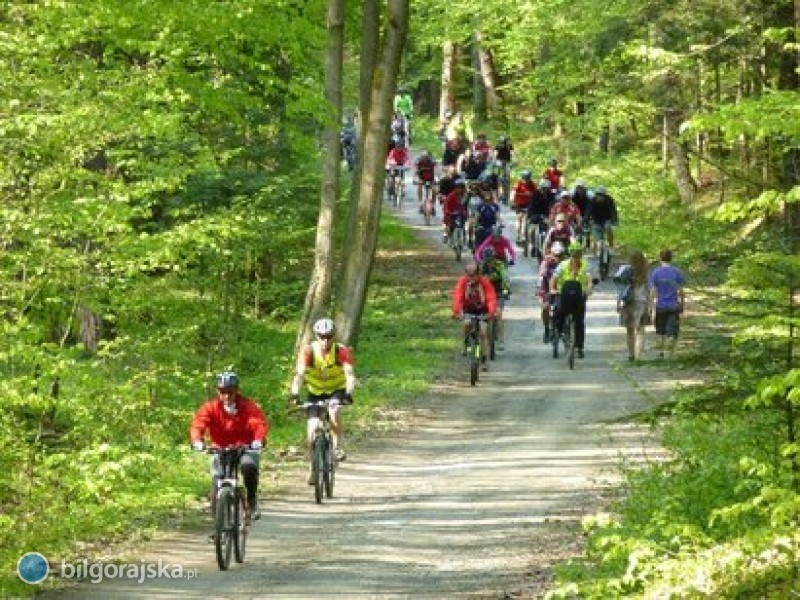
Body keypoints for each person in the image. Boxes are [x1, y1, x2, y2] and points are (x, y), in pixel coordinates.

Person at [190, 370, 269, 520]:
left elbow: (258, 423)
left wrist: (258, 440)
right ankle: (217, 523)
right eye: (222, 392)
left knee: (248, 467)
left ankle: (251, 501)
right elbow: (198, 425)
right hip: (220, 448)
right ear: (217, 392)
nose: (226, 396)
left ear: (236, 391)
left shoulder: (247, 406)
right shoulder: (210, 408)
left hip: (245, 447)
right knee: (216, 482)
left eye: (230, 392)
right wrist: (197, 441)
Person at [290, 318, 356, 473]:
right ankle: (313, 467)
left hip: (336, 390)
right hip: (315, 392)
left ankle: (337, 447)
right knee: (312, 428)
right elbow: (299, 375)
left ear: (334, 336)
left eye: (329, 336)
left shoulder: (341, 351)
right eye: (321, 336)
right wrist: (294, 393)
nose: (325, 340)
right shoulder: (308, 351)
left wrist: (348, 393)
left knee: (334, 411)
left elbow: (350, 375)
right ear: (316, 336)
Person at [550, 243, 593, 358]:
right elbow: (554, 278)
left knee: (579, 321)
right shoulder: (563, 265)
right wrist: (553, 289)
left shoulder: (585, 265)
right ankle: (557, 334)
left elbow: (589, 279)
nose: (576, 257)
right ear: (571, 254)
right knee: (559, 314)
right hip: (563, 294)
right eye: (574, 254)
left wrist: (589, 289)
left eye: (578, 254)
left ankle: (580, 346)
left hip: (579, 295)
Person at [452, 262, 498, 369]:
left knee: (483, 331)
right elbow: (458, 296)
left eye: (473, 275)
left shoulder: (485, 282)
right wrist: (456, 311)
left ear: (478, 274)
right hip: (468, 309)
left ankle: (484, 358)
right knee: (467, 323)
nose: (471, 278)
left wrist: (490, 313)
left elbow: (491, 298)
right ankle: (466, 342)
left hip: (483, 311)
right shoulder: (463, 282)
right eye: (469, 275)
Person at [648, 249, 686, 359]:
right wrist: (682, 304)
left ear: (660, 258)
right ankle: (670, 353)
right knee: (673, 331)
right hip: (673, 306)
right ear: (671, 258)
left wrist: (650, 306)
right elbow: (681, 291)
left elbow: (653, 291)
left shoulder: (655, 273)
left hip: (660, 306)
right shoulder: (677, 272)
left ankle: (661, 353)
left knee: (660, 331)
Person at [615, 250, 650, 361]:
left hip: (629, 303)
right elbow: (649, 290)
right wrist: (650, 306)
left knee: (630, 331)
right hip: (642, 302)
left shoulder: (626, 271)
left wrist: (618, 303)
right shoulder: (646, 272)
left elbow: (621, 289)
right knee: (641, 331)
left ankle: (631, 354)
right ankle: (639, 354)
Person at [479, 247, 510, 350]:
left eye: (491, 259)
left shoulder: (500, 265)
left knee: (498, 313)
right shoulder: (480, 267)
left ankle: (501, 340)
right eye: (487, 260)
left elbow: (505, 278)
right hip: (485, 294)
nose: (489, 262)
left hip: (499, 292)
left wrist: (506, 290)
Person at [537, 241, 566, 343]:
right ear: (551, 253)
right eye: (555, 255)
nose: (557, 257)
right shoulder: (546, 262)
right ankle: (547, 329)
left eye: (560, 255)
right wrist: (540, 290)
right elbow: (541, 277)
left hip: (562, 290)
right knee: (545, 308)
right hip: (547, 289)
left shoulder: (566, 263)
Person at [585, 185, 619, 254]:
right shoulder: (593, 201)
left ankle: (611, 246)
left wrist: (614, 221)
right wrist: (586, 220)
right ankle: (599, 248)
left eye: (601, 195)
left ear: (604, 195)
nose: (599, 197)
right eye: (597, 194)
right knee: (598, 239)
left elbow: (613, 211)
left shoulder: (609, 200)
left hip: (607, 220)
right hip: (596, 221)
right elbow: (588, 212)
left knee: (608, 228)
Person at [510, 170, 537, 244]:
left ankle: (523, 236)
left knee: (525, 219)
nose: (526, 180)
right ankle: (519, 234)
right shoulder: (518, 183)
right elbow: (513, 192)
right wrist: (512, 201)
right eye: (524, 178)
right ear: (522, 178)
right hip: (519, 204)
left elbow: (536, 193)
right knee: (519, 218)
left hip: (529, 204)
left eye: (527, 178)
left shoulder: (532, 184)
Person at [441, 177, 468, 244]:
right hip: (451, 212)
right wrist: (447, 211)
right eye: (458, 187)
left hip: (461, 212)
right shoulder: (451, 195)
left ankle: (464, 238)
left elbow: (467, 205)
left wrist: (466, 211)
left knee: (464, 224)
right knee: (448, 223)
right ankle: (445, 234)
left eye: (461, 187)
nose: (460, 189)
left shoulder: (466, 195)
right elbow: (446, 204)